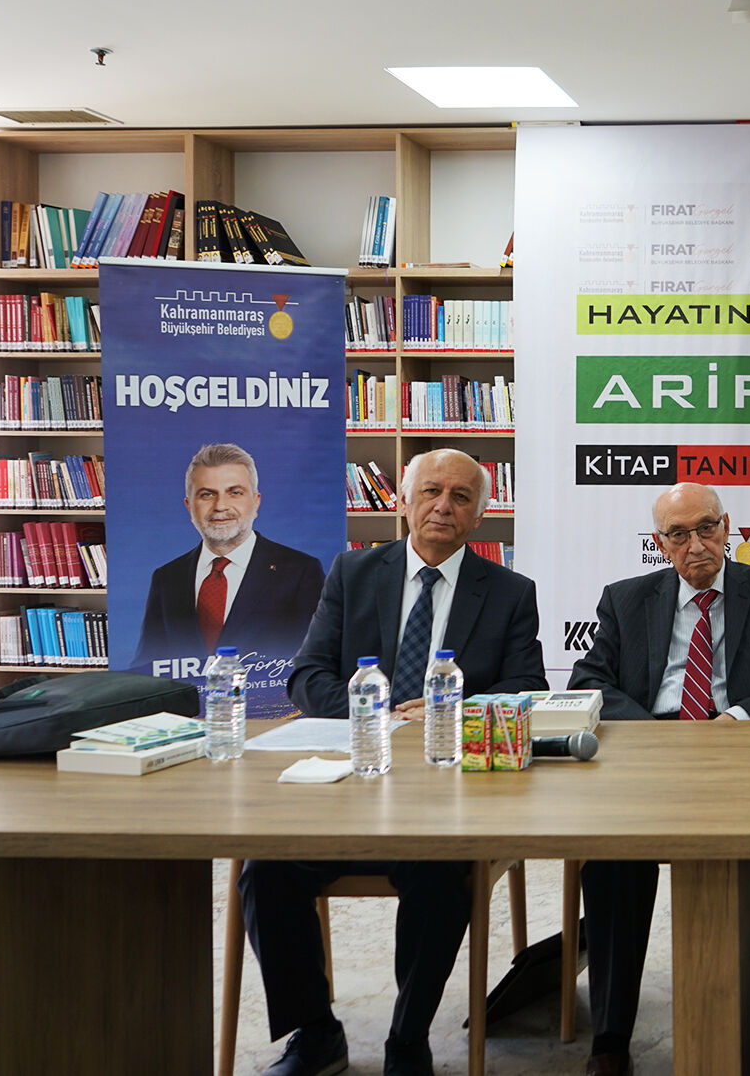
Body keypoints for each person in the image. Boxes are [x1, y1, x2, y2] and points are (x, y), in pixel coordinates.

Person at [241, 448, 547, 1076]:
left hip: (449, 790)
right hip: (350, 780)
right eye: (430, 491)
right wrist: (376, 712)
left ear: (480, 515)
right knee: (264, 869)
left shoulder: (510, 592)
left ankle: (408, 1038)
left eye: (461, 496)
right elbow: (307, 675)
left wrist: (448, 709)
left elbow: (526, 689)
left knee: (440, 877)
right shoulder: (352, 572)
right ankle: (315, 1033)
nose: (443, 506)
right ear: (402, 501)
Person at [566, 482, 750, 1076]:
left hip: (737, 755)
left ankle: (745, 1016)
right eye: (678, 535)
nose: (696, 544)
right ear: (660, 543)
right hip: (649, 754)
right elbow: (589, 681)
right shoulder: (626, 599)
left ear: (727, 527)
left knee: (735, 862)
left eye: (706, 527)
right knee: (612, 863)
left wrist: (737, 718)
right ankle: (610, 1038)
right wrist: (658, 737)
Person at [130, 442, 324, 672]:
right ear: (189, 507)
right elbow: (147, 668)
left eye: (235, 493)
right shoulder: (167, 578)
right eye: (207, 494)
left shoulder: (300, 572)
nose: (220, 506)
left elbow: (316, 663)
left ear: (256, 502)